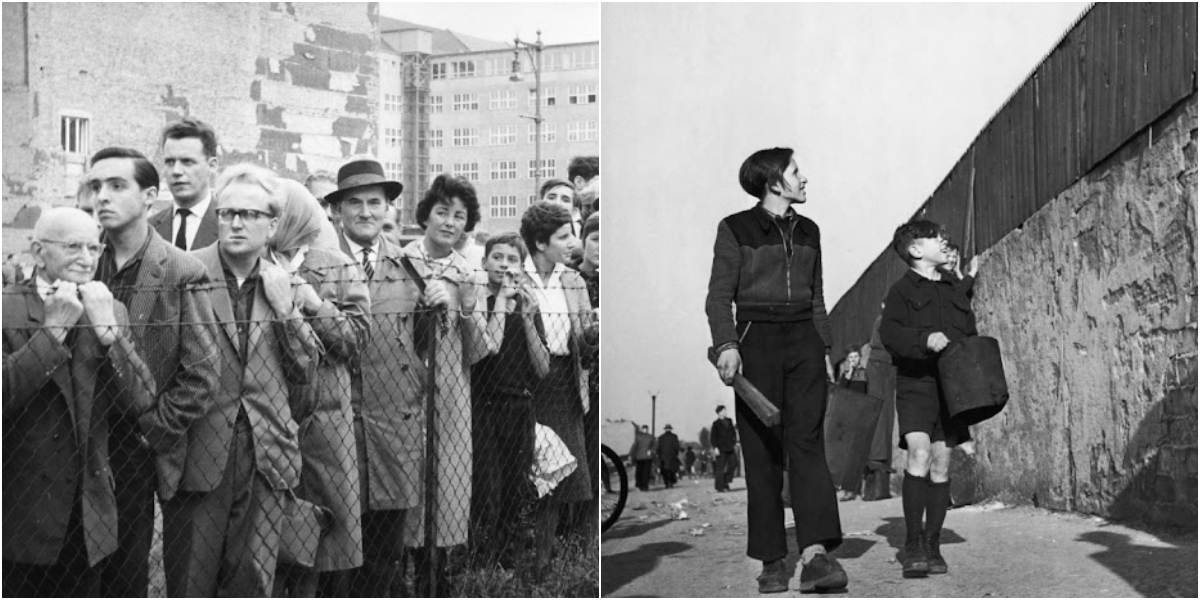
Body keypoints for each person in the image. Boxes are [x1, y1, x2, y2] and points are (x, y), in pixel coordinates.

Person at [705, 147, 847, 594]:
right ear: (773, 183)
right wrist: (727, 344)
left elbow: (818, 297)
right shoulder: (735, 229)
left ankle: (816, 555)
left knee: (806, 445)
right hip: (756, 342)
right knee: (763, 452)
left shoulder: (811, 231)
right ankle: (771, 559)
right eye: (795, 172)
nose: (804, 179)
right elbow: (718, 296)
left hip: (804, 340)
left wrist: (825, 347)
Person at [177, 164, 320, 596]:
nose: (236, 223)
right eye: (227, 212)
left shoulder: (283, 280)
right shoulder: (186, 271)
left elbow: (305, 371)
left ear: (273, 224)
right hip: (200, 451)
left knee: (253, 581)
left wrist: (287, 310)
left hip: (266, 454)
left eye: (250, 214)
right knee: (190, 580)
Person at [85, 147, 221, 598]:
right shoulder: (83, 260)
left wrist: (152, 434)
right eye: (96, 186)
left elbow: (201, 374)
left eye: (116, 186)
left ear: (150, 196)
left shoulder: (180, 270)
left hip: (132, 446)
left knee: (125, 569)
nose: (102, 197)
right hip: (77, 438)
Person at [3, 207, 157, 597]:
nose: (87, 259)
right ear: (38, 252)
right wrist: (51, 333)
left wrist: (110, 334)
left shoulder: (109, 309)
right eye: (73, 247)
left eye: (94, 247)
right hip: (19, 510)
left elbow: (140, 402)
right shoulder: (7, 308)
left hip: (89, 512)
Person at [268, 179, 368, 597]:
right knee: (270, 536)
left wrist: (314, 304)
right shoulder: (252, 264)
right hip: (271, 416)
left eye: (274, 213)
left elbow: (357, 341)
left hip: (325, 423)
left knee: (325, 534)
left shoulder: (337, 264)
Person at [326, 158, 417, 597]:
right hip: (334, 430)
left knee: (384, 557)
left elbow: (424, 349)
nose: (365, 212)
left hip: (391, 431)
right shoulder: (320, 264)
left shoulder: (410, 269)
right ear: (338, 210)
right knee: (335, 555)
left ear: (388, 209)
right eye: (355, 202)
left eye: (375, 202)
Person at [398, 174, 488, 593]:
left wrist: (468, 308)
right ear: (425, 215)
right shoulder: (398, 262)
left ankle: (439, 578)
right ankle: (401, 575)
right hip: (402, 387)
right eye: (442, 212)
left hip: (451, 394)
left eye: (460, 216)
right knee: (403, 480)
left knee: (446, 485)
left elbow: (479, 351)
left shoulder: (471, 273)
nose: (450, 222)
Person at [879, 219, 978, 578]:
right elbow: (890, 332)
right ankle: (913, 543)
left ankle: (933, 545)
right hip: (916, 384)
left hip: (949, 387)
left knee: (941, 463)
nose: (943, 240)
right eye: (936, 237)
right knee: (919, 453)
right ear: (916, 250)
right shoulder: (901, 290)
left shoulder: (952, 287)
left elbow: (967, 326)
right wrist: (924, 339)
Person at [521, 200, 597, 568]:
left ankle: (547, 560)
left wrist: (592, 334)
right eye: (563, 236)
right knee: (532, 477)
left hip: (565, 384)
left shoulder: (573, 280)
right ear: (540, 243)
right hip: (528, 387)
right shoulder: (516, 280)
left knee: (566, 478)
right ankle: (526, 560)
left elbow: (580, 339)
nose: (573, 243)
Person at [469, 232, 550, 564]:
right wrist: (501, 299)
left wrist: (529, 319)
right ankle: (480, 557)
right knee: (488, 486)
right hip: (486, 403)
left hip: (521, 403)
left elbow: (543, 368)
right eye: (497, 257)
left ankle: (508, 558)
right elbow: (491, 348)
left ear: (522, 265)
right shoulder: (479, 302)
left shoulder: (529, 305)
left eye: (512, 259)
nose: (504, 264)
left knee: (517, 486)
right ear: (484, 261)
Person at [151, 118, 221, 251]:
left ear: (212, 166)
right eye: (170, 162)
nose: (176, 171)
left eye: (187, 162)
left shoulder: (230, 227)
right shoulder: (149, 230)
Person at [710, 405, 738, 492]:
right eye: (724, 410)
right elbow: (713, 437)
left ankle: (726, 481)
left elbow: (733, 433)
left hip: (730, 447)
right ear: (719, 413)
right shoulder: (716, 424)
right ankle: (720, 487)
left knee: (734, 464)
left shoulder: (729, 421)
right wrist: (715, 448)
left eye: (725, 410)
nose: (726, 412)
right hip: (720, 448)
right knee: (720, 468)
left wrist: (734, 442)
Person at [630, 424, 655, 491]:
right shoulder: (651, 437)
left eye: (645, 429)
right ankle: (645, 485)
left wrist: (631, 454)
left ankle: (641, 485)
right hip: (647, 457)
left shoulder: (638, 437)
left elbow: (634, 446)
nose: (645, 430)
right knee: (646, 472)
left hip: (640, 457)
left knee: (640, 471)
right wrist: (651, 451)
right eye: (645, 429)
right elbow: (655, 446)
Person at [657, 425, 681, 489]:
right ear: (671, 429)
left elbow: (658, 448)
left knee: (665, 471)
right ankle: (671, 483)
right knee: (671, 470)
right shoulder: (674, 437)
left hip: (663, 456)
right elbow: (677, 447)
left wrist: (659, 455)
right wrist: (675, 454)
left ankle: (667, 483)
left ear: (665, 429)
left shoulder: (661, 438)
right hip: (672, 456)